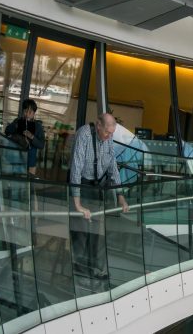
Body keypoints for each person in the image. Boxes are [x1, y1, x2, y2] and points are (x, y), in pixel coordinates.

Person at [68, 113, 130, 280]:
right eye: (107, 133)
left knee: (97, 231)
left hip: (97, 188)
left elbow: (113, 167)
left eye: (112, 133)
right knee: (80, 230)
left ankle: (97, 267)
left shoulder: (108, 137)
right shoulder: (84, 135)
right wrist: (77, 203)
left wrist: (120, 196)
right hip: (82, 184)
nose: (109, 136)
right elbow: (76, 168)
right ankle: (79, 267)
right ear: (98, 126)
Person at [4, 98, 45, 176]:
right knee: (16, 182)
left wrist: (32, 137)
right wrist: (15, 125)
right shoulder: (17, 121)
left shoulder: (38, 126)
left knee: (28, 184)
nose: (27, 114)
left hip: (30, 162)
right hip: (16, 159)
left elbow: (41, 145)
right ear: (23, 111)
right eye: (25, 111)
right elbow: (7, 131)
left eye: (30, 112)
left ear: (34, 113)